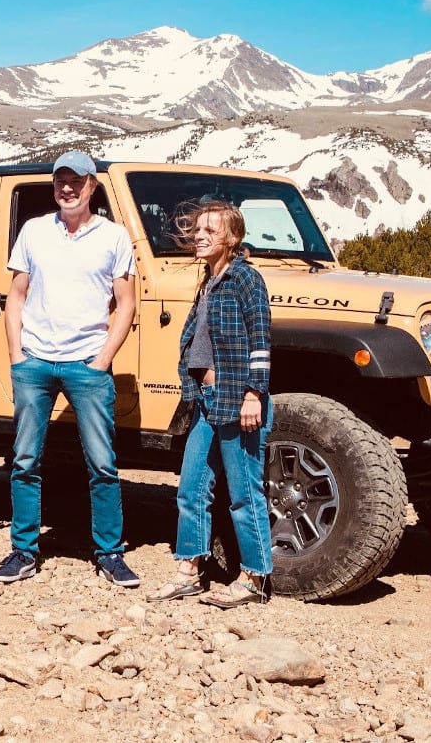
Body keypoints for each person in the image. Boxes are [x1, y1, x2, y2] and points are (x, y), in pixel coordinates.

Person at [0, 150, 140, 588]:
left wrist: (102, 361)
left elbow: (126, 304)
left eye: (77, 180)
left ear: (93, 186)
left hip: (87, 363)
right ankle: (23, 550)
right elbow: (16, 295)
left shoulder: (114, 237)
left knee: (102, 463)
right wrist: (18, 356)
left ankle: (110, 553)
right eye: (61, 180)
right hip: (35, 362)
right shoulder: (35, 231)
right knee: (24, 460)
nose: (68, 188)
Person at [147, 200, 275, 608]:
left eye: (210, 231)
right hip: (205, 400)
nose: (199, 236)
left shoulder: (245, 279)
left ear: (232, 238)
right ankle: (189, 571)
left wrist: (254, 393)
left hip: (237, 399)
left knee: (244, 492)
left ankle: (255, 578)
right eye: (197, 230)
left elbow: (260, 339)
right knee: (191, 488)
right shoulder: (209, 279)